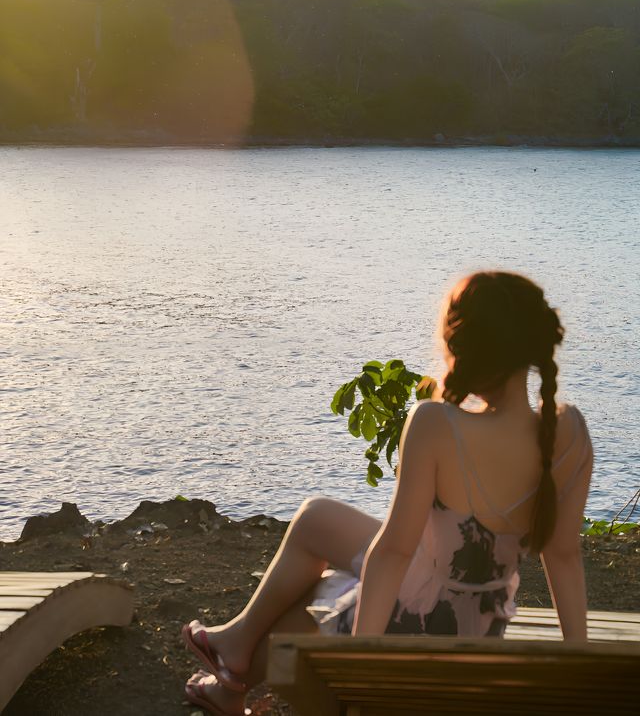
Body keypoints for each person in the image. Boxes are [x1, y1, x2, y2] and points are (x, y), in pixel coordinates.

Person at [182, 271, 593, 716]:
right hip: (482, 623)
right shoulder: (566, 432)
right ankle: (233, 658)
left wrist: (361, 669)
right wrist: (582, 668)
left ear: (463, 347)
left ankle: (234, 659)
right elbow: (564, 555)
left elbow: (395, 552)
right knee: (318, 519)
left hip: (421, 621)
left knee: (313, 598)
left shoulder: (437, 423)